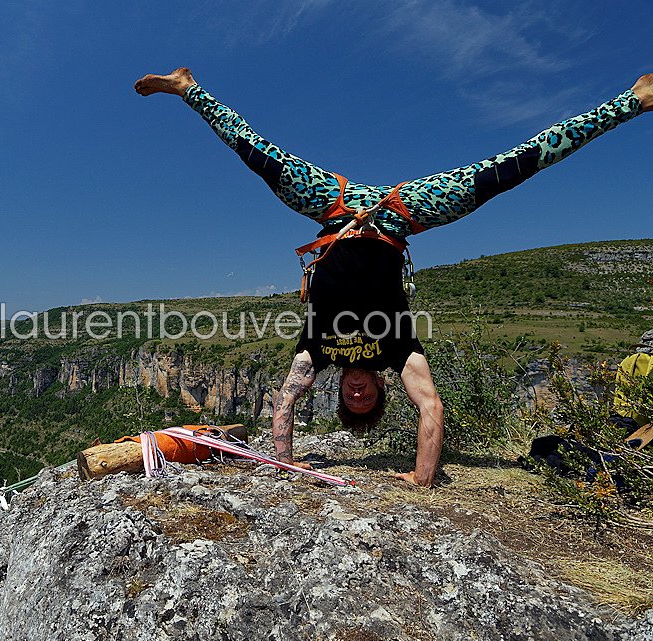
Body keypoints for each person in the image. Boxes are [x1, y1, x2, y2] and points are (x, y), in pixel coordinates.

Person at [135, 67, 653, 487]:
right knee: (510, 170)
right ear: (382, 387)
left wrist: (286, 466)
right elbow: (430, 405)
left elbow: (286, 400)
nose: (358, 393)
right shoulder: (396, 349)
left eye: (351, 398)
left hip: (333, 208)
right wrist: (423, 478)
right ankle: (632, 101)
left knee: (255, 155)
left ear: (341, 390)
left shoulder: (318, 351)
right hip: (399, 214)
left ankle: (188, 88)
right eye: (367, 399)